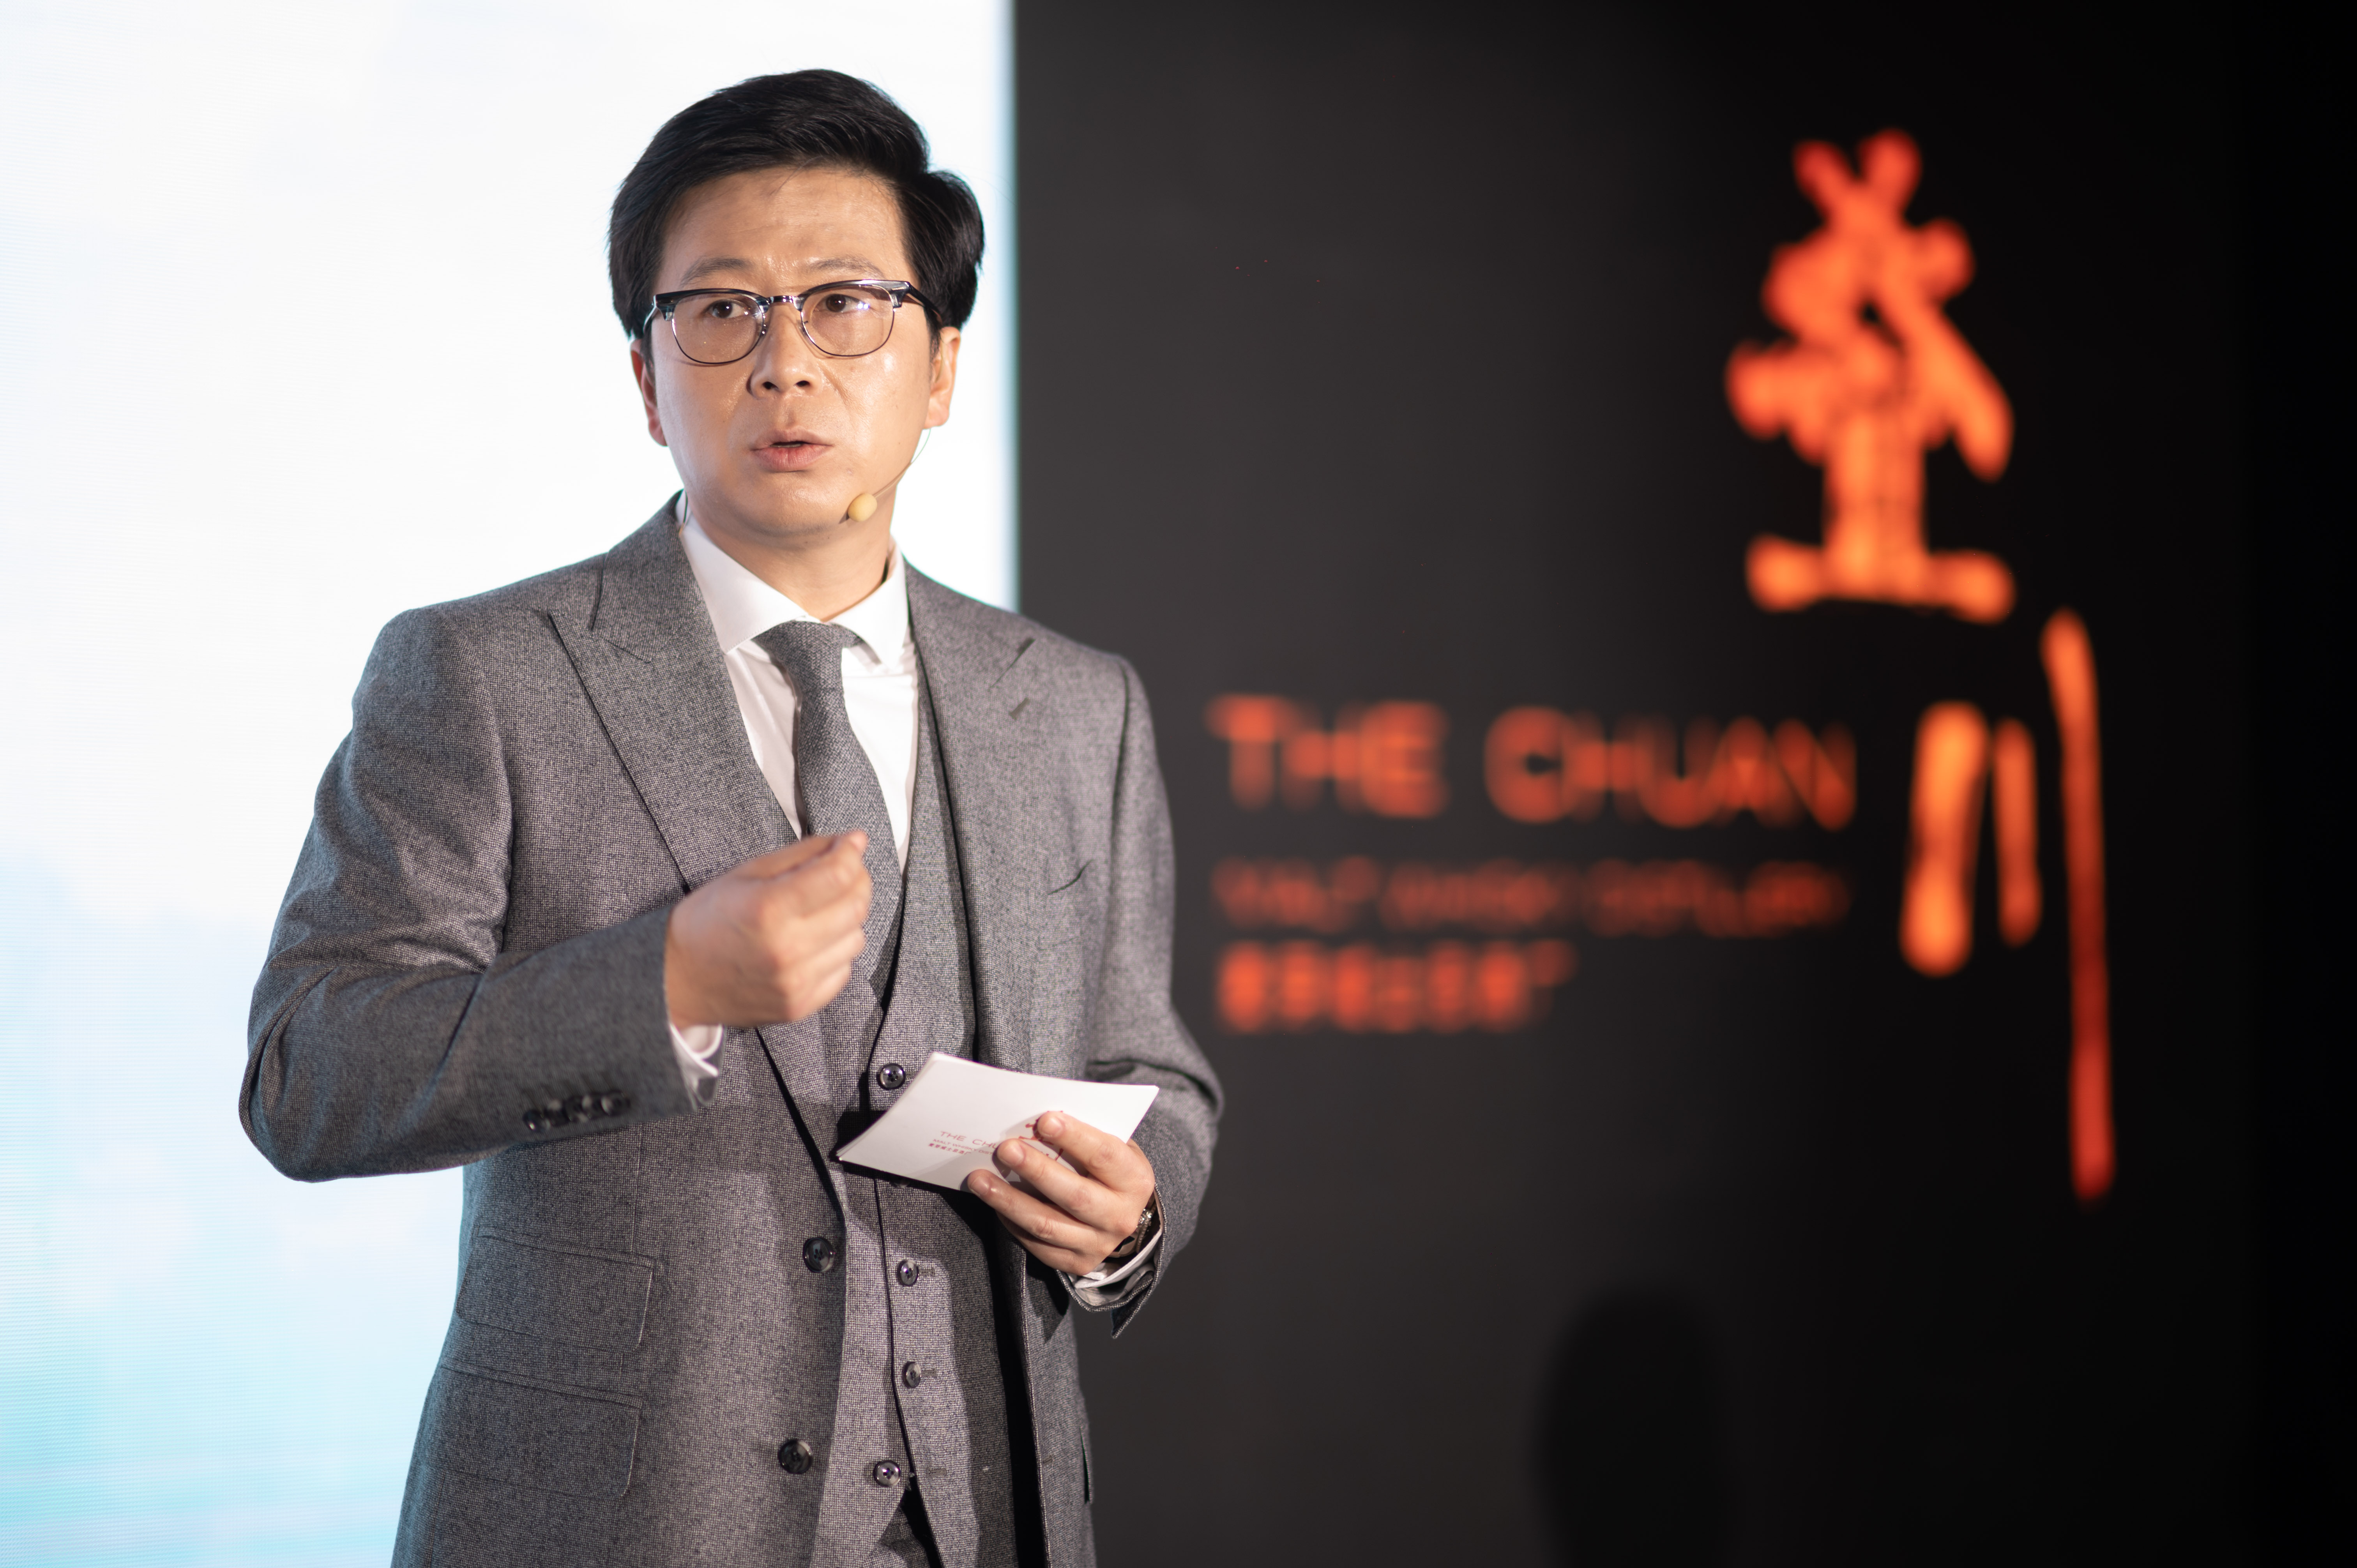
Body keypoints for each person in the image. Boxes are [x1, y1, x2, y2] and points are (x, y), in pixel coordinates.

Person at [241, 70, 1219, 1568]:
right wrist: (667, 985)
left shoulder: (1081, 705)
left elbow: (1154, 1071)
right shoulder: (482, 672)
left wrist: (1133, 1215)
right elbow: (311, 1076)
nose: (784, 363)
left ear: (940, 368)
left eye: (846, 304)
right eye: (721, 311)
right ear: (648, 380)